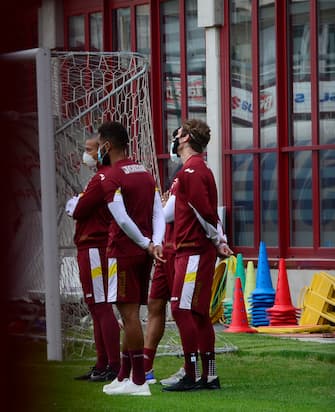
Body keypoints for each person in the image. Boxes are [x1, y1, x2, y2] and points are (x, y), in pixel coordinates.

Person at [162, 119, 233, 392]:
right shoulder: (197, 169)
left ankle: (191, 373)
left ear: (186, 138)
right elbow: (208, 213)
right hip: (194, 250)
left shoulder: (191, 170)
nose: (174, 136)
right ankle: (210, 375)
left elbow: (203, 212)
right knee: (199, 313)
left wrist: (218, 241)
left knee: (181, 309)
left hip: (192, 250)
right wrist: (219, 239)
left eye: (178, 132)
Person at [96, 121, 165, 397]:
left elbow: (121, 218)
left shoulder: (111, 176)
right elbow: (158, 212)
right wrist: (155, 243)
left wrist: (147, 243)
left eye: (99, 144)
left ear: (107, 145)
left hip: (124, 251)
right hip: (144, 252)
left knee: (129, 316)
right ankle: (124, 375)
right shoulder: (145, 173)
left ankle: (138, 380)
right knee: (131, 315)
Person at [65, 136, 121, 382]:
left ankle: (113, 364)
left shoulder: (101, 178)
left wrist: (75, 204)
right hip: (91, 248)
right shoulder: (98, 177)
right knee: (96, 306)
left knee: (101, 305)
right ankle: (102, 363)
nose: (85, 154)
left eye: (89, 150)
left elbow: (78, 209)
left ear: (102, 151)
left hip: (96, 248)